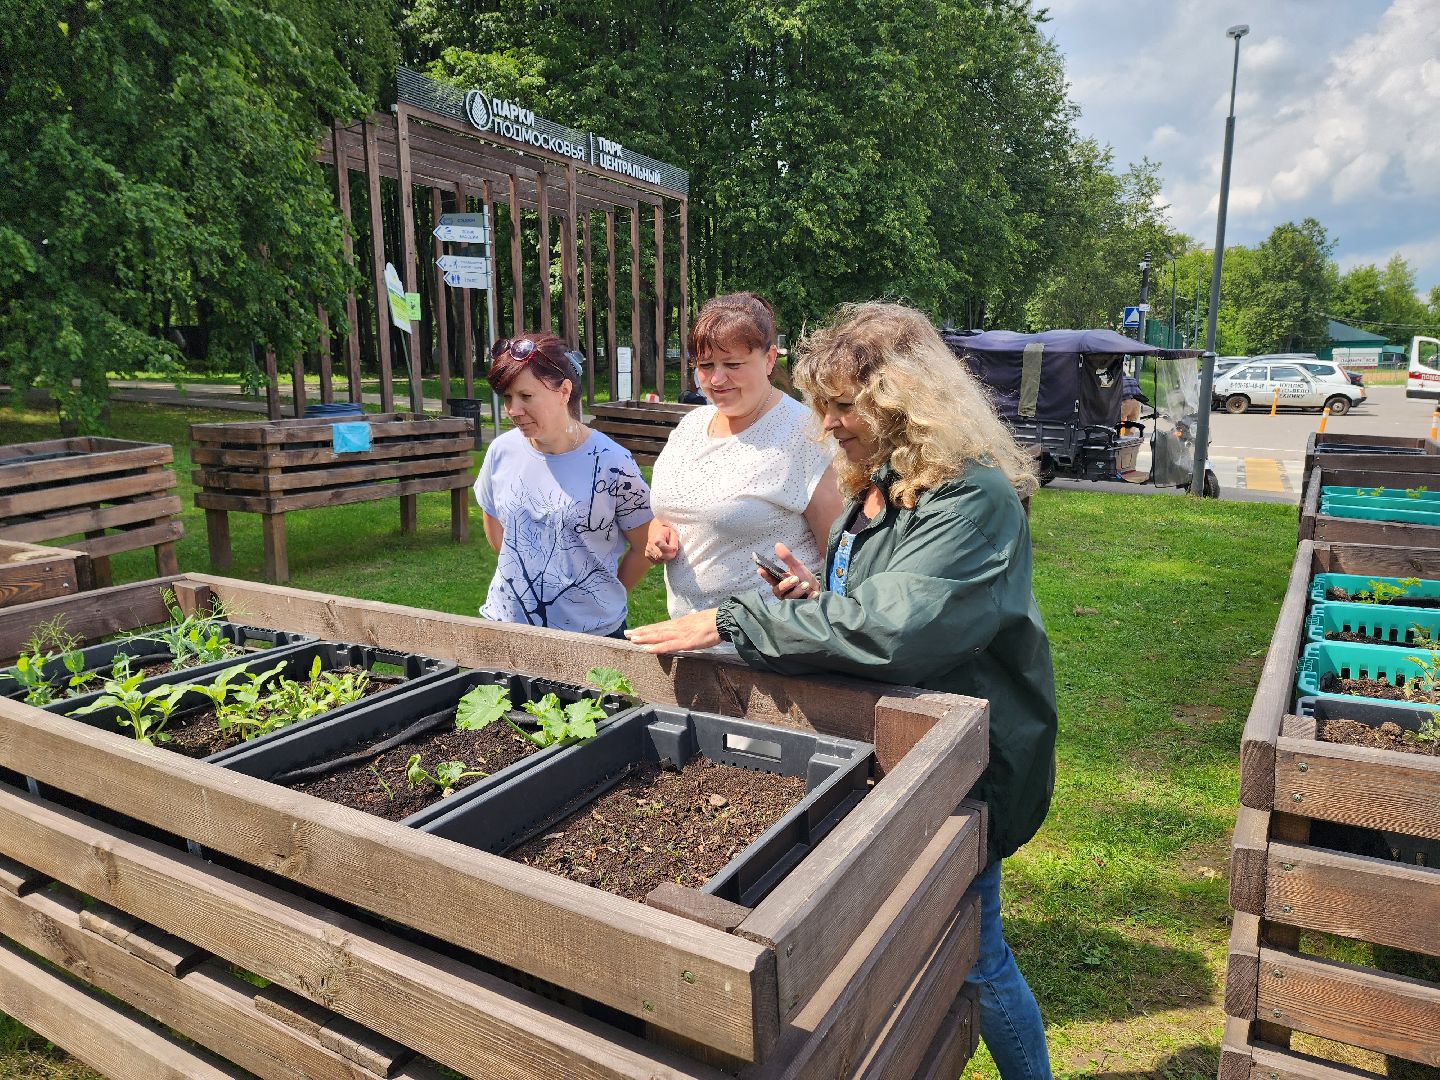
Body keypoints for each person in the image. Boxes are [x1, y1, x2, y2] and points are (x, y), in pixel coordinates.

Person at [628, 301, 1058, 1079]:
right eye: (822, 405)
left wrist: (739, 618)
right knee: (912, 933)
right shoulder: (889, 481)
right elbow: (866, 599)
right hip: (904, 750)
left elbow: (900, 630)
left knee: (975, 948)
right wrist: (813, 592)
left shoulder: (972, 499)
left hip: (971, 763)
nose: (827, 425)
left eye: (843, 406)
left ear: (903, 401)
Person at [645, 292, 842, 618]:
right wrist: (659, 534)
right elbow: (671, 512)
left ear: (769, 359)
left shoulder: (806, 435)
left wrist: (812, 594)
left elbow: (840, 562)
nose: (717, 379)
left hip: (766, 652)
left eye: (733, 364)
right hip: (685, 642)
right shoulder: (690, 426)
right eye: (705, 366)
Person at [475, 332, 653, 638]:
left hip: (591, 636)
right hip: (506, 628)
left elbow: (645, 545)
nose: (513, 409)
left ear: (564, 391)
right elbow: (493, 519)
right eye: (507, 397)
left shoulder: (612, 463)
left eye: (526, 396)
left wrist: (602, 594)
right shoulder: (501, 450)